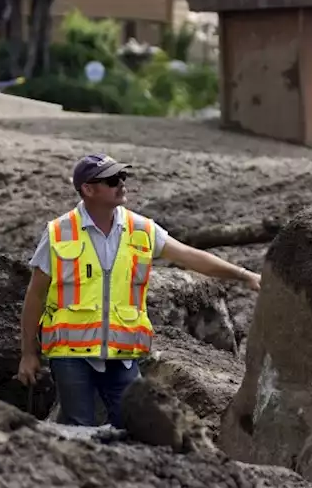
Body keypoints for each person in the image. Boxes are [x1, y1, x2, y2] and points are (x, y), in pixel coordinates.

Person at [16, 153, 261, 428]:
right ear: (88, 189)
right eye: (111, 180)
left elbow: (190, 256)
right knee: (77, 427)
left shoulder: (141, 229)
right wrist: (28, 353)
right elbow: (35, 295)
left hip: (122, 354)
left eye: (122, 177)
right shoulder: (59, 232)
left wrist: (243, 275)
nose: (121, 184)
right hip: (70, 354)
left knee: (135, 428)